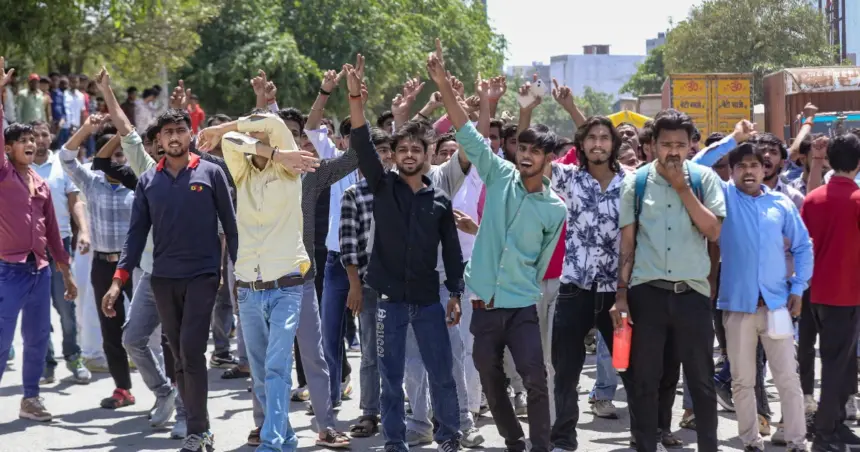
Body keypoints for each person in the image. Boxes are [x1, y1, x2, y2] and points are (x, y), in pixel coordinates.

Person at [433, 40, 566, 452]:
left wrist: (520, 283)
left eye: (535, 151)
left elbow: (543, 263)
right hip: (483, 304)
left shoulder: (554, 210)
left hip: (522, 306)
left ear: (548, 159)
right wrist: (444, 85)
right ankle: (513, 440)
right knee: (489, 377)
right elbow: (468, 135)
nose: (526, 155)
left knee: (535, 378)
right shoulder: (498, 174)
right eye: (522, 148)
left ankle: (540, 446)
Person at [348, 52, 465, 452]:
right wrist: (355, 101)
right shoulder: (382, 187)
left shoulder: (439, 200)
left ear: (429, 154)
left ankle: (449, 436)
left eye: (418, 149)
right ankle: (394, 441)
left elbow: (451, 251)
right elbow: (363, 144)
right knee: (390, 376)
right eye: (403, 150)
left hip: (429, 301)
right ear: (395, 156)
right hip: (388, 301)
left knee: (442, 374)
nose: (410, 154)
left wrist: (455, 293)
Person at [105, 106, 238, 452]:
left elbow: (231, 227)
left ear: (190, 134)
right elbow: (135, 236)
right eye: (168, 133)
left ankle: (199, 429)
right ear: (159, 141)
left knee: (191, 351)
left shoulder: (211, 172)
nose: (175, 137)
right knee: (178, 356)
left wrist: (239, 276)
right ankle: (197, 425)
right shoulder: (149, 182)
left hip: (203, 276)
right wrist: (119, 281)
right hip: (163, 279)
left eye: (180, 130)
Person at [612, 109, 735, 452]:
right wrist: (621, 295)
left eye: (680, 144)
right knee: (645, 381)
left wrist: (682, 189)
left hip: (691, 295)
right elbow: (627, 243)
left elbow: (713, 230)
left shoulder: (703, 179)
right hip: (646, 294)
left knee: (701, 382)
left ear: (691, 145)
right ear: (651, 145)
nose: (673, 151)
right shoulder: (635, 182)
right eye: (666, 144)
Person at [716, 142, 812, 452]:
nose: (748, 171)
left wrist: (798, 287)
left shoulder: (780, 204)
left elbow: (803, 246)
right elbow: (698, 163)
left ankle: (797, 441)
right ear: (731, 172)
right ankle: (751, 441)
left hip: (776, 305)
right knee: (743, 381)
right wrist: (734, 138)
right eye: (741, 166)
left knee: (787, 378)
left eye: (754, 165)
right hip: (738, 306)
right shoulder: (725, 197)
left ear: (764, 169)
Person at [0, 57, 78, 422]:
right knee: (2, 343)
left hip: (39, 271)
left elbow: (52, 235)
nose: (30, 144)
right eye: (22, 140)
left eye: (33, 139)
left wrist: (66, 272)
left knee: (36, 340)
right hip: (7, 271)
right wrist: (1, 93)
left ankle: (30, 399)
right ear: (8, 148)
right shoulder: (3, 174)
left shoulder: (41, 182)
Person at [60, 113, 137, 409]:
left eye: (121, 154)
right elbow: (67, 157)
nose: (118, 160)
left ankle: (165, 390)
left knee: (149, 329)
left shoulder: (137, 182)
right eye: (112, 154)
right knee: (111, 330)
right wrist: (86, 129)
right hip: (104, 265)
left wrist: (122, 132)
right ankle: (123, 390)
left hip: (135, 265)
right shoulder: (91, 182)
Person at [801, 133, 860, 451]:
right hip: (846, 293)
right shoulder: (856, 199)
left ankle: (835, 423)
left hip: (817, 292)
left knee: (842, 362)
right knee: (838, 364)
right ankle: (825, 429)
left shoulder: (813, 199)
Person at [29, 120, 91, 385]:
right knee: (37, 310)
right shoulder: (18, 168)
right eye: (34, 137)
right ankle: (47, 363)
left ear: (50, 136)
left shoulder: (60, 166)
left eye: (44, 135)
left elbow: (75, 201)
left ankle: (74, 357)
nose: (40, 140)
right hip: (30, 250)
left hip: (60, 246)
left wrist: (84, 230)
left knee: (66, 307)